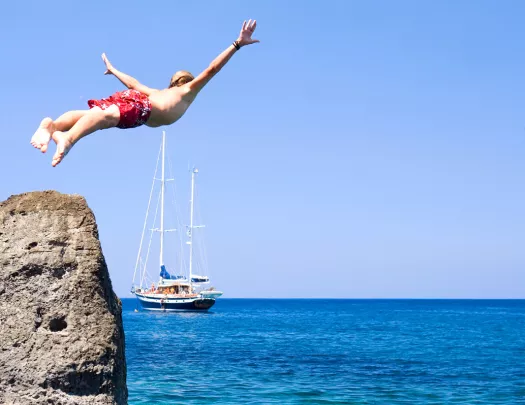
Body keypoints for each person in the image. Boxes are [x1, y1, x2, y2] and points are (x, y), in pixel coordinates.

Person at [31, 20, 259, 167]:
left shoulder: (167, 92)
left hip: (137, 103)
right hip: (143, 109)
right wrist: (236, 45)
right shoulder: (184, 92)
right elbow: (212, 70)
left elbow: (134, 84)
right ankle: (67, 139)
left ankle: (53, 127)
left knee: (91, 113)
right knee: (105, 117)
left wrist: (114, 70)